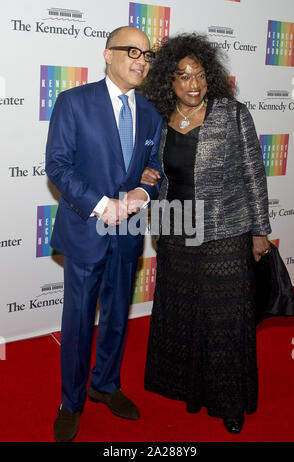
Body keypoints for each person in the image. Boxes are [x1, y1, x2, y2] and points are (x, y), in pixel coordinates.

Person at [140, 33, 271, 434]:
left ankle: (230, 402)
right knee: (181, 311)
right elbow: (159, 175)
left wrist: (259, 230)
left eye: (199, 75)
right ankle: (186, 387)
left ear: (209, 77)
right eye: (183, 76)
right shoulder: (160, 120)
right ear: (169, 82)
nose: (193, 84)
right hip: (175, 227)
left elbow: (254, 173)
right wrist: (156, 212)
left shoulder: (232, 113)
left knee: (223, 318)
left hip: (226, 229)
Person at [45, 26, 162, 442]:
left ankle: (105, 385)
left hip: (129, 233)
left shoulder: (150, 112)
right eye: (131, 51)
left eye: (147, 55)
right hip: (85, 230)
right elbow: (58, 166)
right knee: (78, 320)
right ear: (106, 54)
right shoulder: (73, 102)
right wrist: (102, 204)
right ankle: (70, 401)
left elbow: (154, 170)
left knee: (116, 318)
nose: (141, 60)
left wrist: (142, 192)